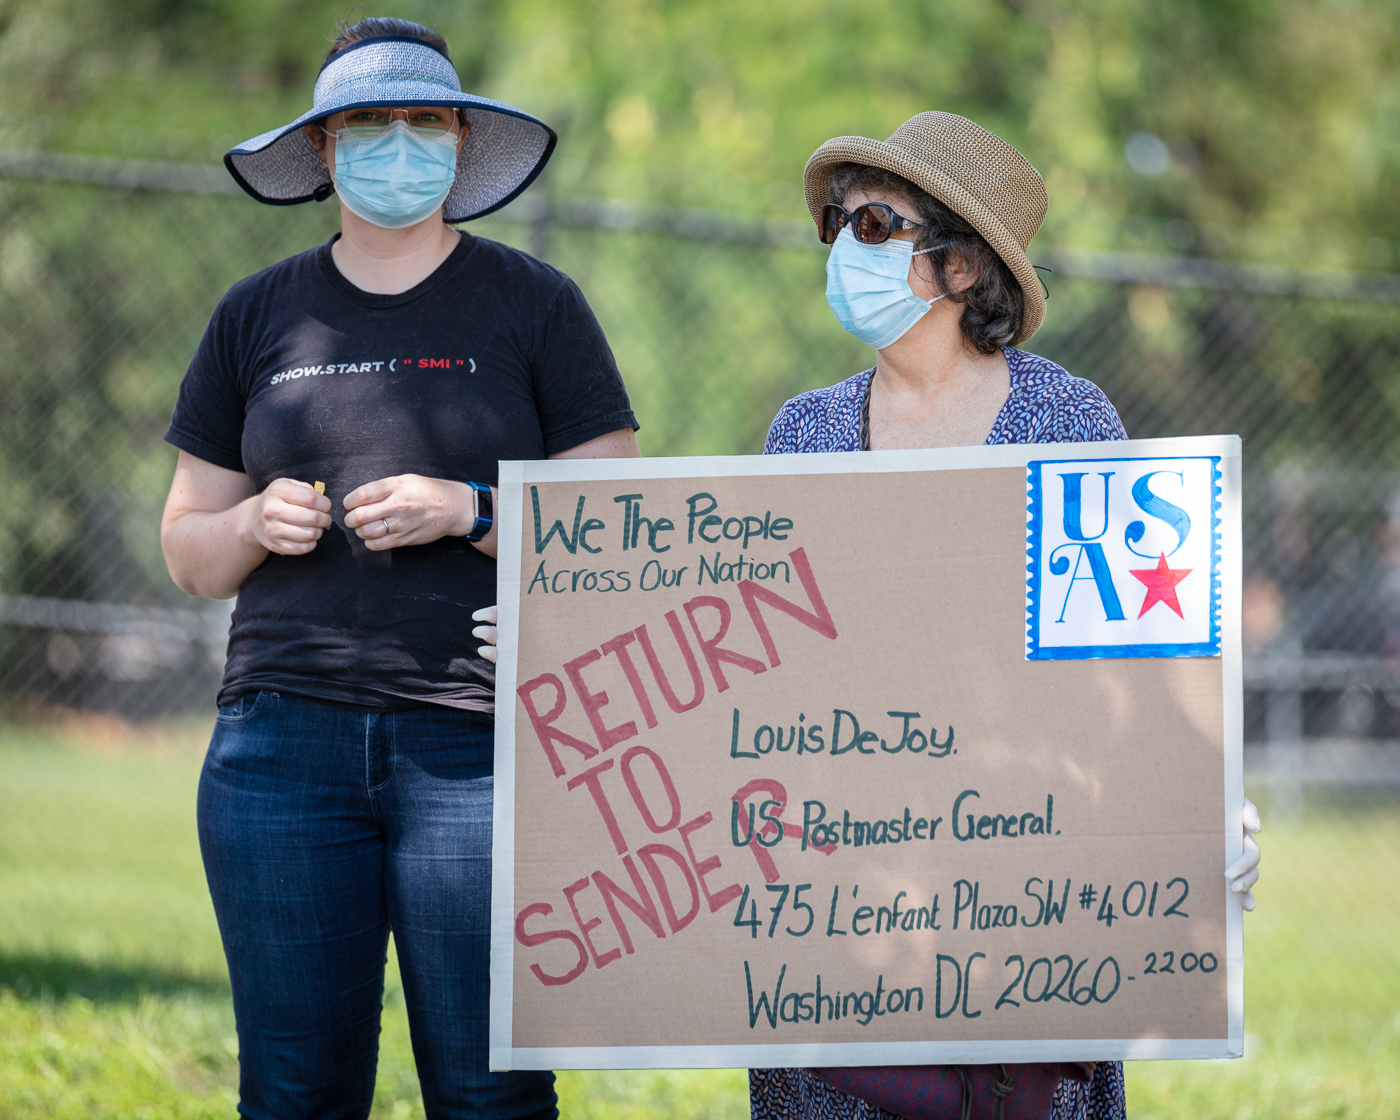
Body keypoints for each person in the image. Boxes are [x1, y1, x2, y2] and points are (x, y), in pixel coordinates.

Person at [159, 17, 638, 1119]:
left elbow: (617, 528)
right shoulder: (254, 315)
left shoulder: (536, 305)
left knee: (490, 1094)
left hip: (476, 747)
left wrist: (466, 509)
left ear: (462, 142)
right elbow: (187, 546)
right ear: (324, 147)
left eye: (425, 121)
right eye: (369, 122)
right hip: (277, 753)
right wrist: (249, 527)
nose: (398, 143)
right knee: (293, 1093)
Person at [747, 111, 1263, 1120]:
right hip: (846, 896)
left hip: (1022, 906)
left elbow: (1133, 669)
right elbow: (761, 668)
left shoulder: (1069, 423)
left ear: (961, 264)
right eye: (835, 226)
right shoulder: (798, 431)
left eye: (872, 225)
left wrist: (1201, 805)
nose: (841, 248)